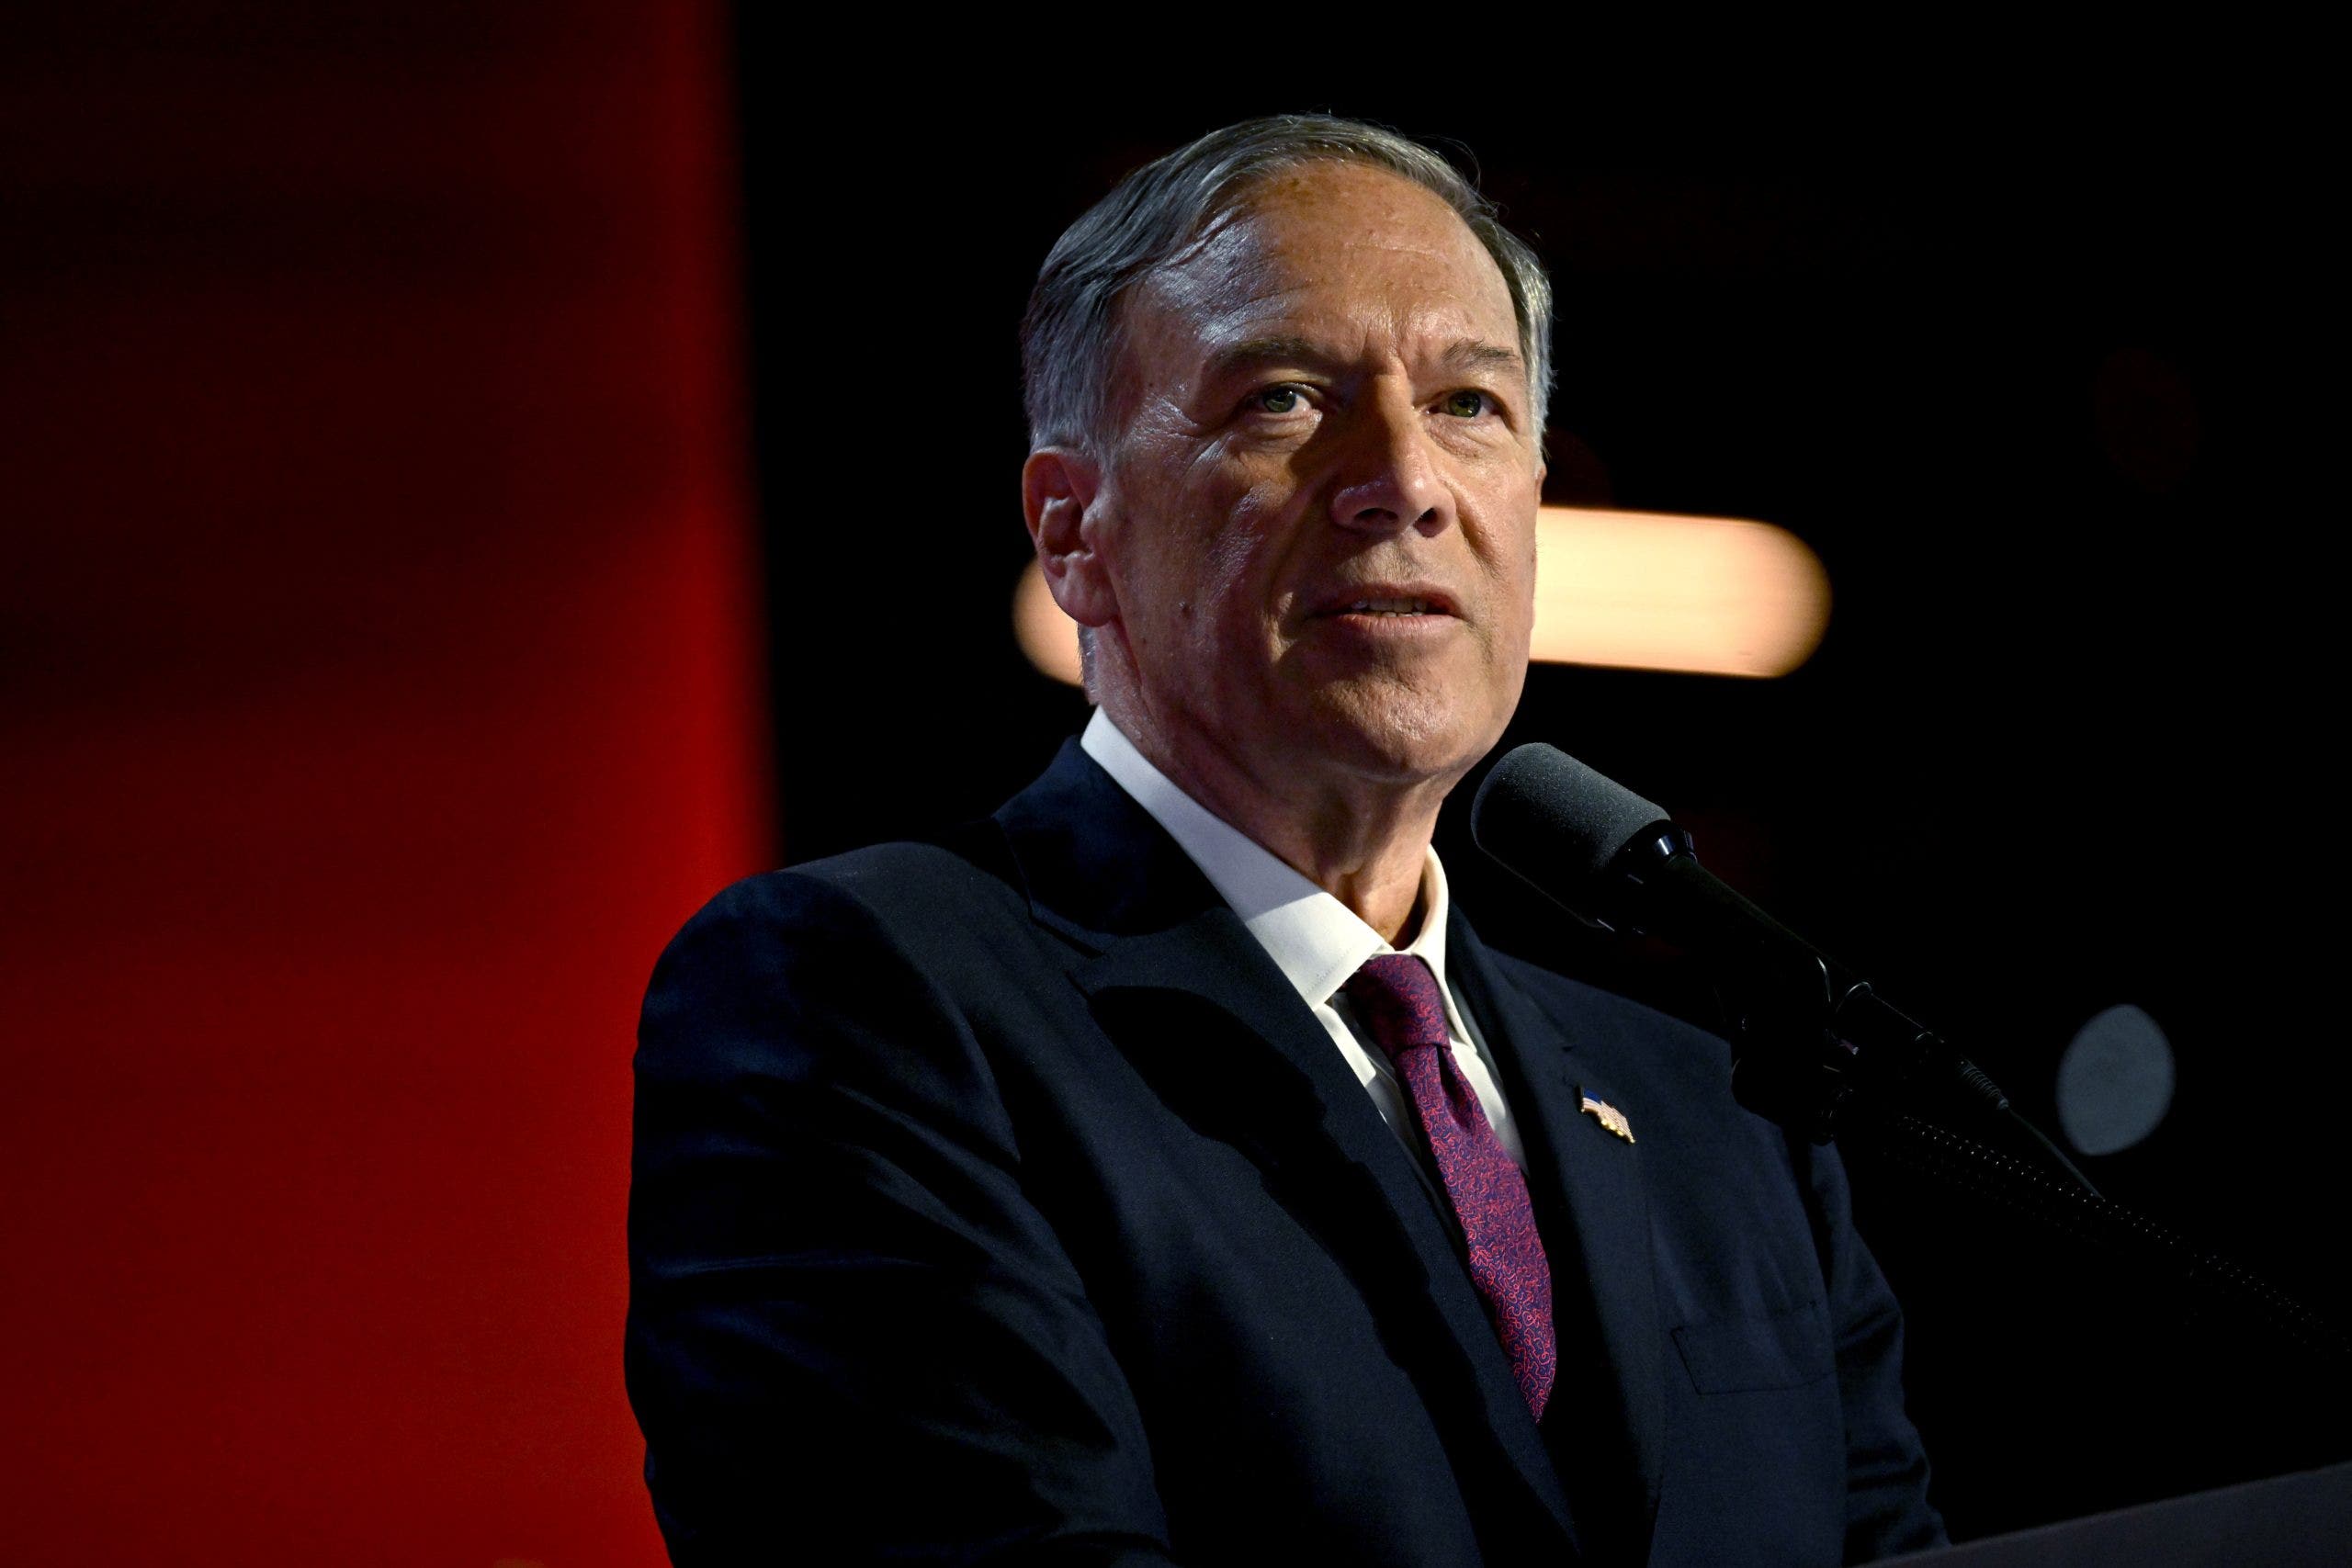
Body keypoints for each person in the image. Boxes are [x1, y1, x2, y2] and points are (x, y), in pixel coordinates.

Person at [626, 115, 1946, 1566]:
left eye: (1469, 404)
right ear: (1072, 530)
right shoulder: (861, 1003)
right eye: (1286, 398)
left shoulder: (1720, 1118)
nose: (1406, 480)